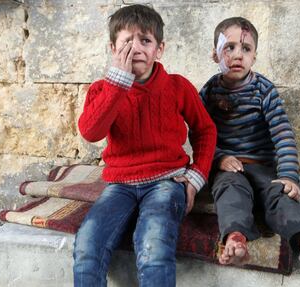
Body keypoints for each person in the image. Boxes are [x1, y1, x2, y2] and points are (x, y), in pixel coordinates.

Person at [73, 4, 217, 286]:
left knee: (153, 245)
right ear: (113, 49)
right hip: (120, 184)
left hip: (167, 181)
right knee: (87, 244)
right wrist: (118, 83)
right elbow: (91, 132)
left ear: (159, 49)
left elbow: (205, 130)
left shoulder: (177, 87)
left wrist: (195, 177)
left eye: (145, 41)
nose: (136, 48)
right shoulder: (102, 90)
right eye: (127, 41)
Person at [199, 17, 300, 275]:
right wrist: (218, 158)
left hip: (262, 166)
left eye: (246, 49)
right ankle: (235, 237)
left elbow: (283, 135)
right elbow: (201, 135)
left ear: (254, 56)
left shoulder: (264, 91)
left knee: (279, 196)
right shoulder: (209, 92)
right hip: (228, 166)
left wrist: (289, 176)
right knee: (230, 192)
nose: (237, 55)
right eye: (229, 47)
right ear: (215, 54)